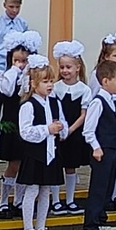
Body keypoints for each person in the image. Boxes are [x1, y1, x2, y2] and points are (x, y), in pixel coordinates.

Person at [17, 57, 66, 230]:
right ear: (33, 83)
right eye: (45, 81)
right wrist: (47, 129)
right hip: (35, 154)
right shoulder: (29, 105)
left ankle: (41, 226)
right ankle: (27, 229)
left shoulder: (54, 103)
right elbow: (25, 131)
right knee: (32, 190)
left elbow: (61, 122)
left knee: (46, 190)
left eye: (51, 81)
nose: (50, 85)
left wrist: (61, 128)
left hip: (51, 152)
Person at [81, 60, 116, 230]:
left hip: (111, 150)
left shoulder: (111, 100)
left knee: (107, 187)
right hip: (101, 150)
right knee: (99, 188)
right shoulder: (98, 102)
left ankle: (100, 220)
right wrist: (96, 148)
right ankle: (90, 227)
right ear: (105, 81)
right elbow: (88, 129)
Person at [0, 33, 37, 218]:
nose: (20, 63)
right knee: (14, 163)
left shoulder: (32, 77)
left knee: (25, 163)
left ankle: (19, 200)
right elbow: (8, 91)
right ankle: (3, 201)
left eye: (24, 60)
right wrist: (14, 71)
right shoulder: (6, 76)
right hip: (13, 122)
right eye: (16, 59)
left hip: (27, 121)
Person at [50, 42, 91, 215]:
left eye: (69, 67)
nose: (65, 70)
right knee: (56, 165)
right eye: (62, 67)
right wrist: (60, 129)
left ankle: (71, 199)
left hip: (74, 133)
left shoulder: (84, 89)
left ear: (77, 68)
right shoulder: (55, 88)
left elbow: (84, 114)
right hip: (57, 133)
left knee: (71, 166)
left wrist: (70, 130)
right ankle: (56, 200)